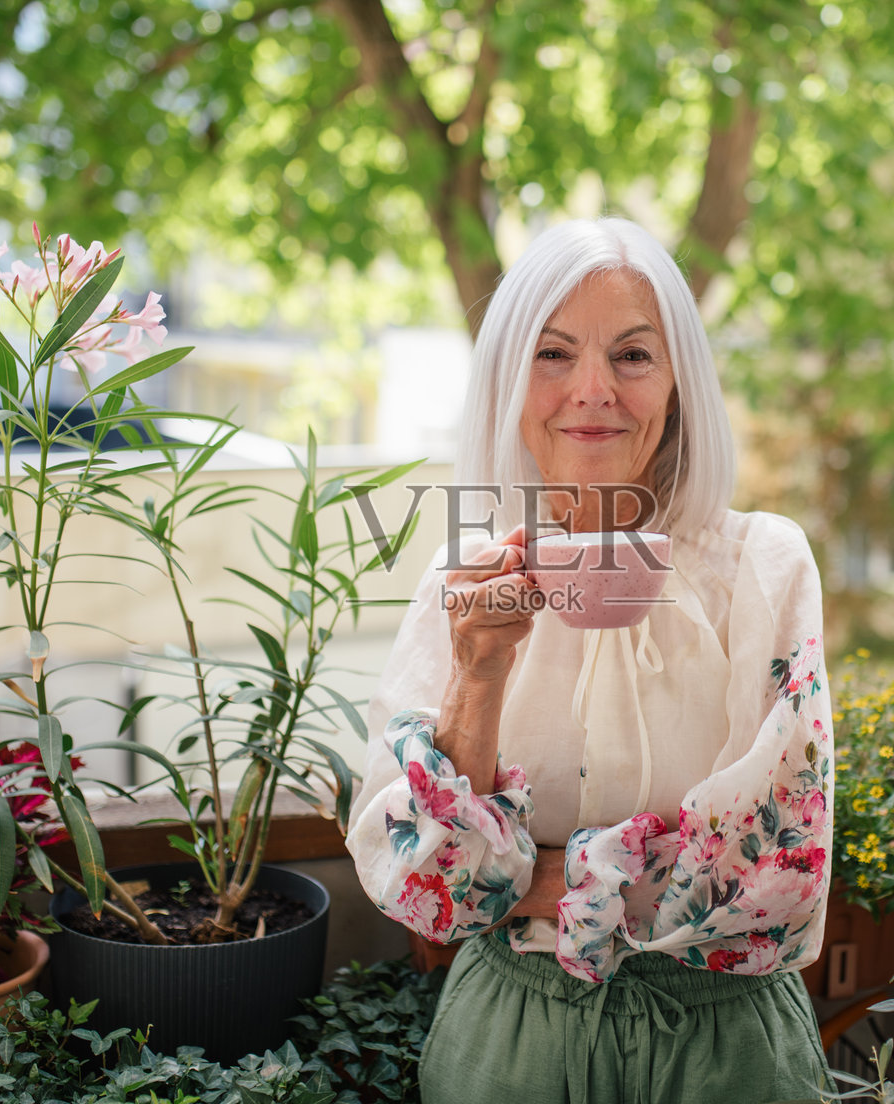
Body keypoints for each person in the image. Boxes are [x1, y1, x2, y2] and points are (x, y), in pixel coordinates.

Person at [346, 217, 836, 1104]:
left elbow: (776, 875)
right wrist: (478, 671)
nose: (594, 391)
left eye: (634, 356)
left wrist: (525, 877)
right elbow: (420, 882)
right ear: (509, 380)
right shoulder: (463, 579)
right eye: (555, 353)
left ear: (679, 382)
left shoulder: (763, 566)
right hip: (510, 1042)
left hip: (723, 1046)